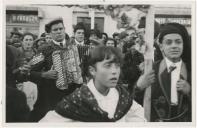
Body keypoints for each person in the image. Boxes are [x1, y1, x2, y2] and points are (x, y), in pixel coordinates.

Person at [40, 46, 146, 122]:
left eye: (117, 65)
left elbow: (139, 115)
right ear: (92, 71)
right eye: (108, 65)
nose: (115, 71)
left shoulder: (122, 95)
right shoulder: (77, 100)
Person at [28, 17, 83, 121]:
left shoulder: (74, 46)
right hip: (52, 96)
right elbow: (29, 71)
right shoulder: (44, 49)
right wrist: (44, 74)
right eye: (55, 30)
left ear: (64, 29)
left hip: (72, 94)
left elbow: (82, 67)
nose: (59, 32)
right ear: (49, 33)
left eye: (61, 29)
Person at [136, 23, 191, 122]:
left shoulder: (191, 70)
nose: (174, 46)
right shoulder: (151, 69)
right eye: (168, 42)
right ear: (161, 47)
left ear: (183, 44)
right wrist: (139, 87)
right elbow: (134, 103)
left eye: (178, 42)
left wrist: (190, 91)